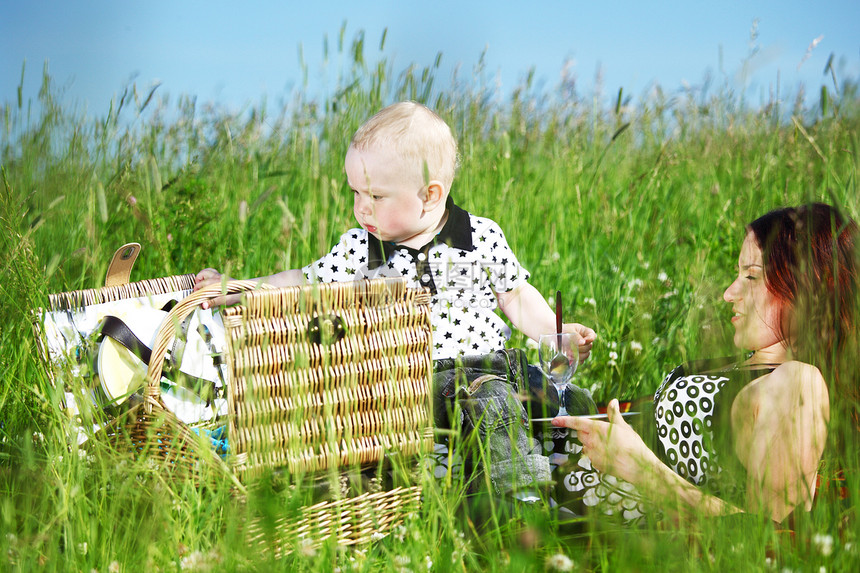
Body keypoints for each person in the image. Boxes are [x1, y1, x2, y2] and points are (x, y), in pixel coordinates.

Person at [195, 101, 597, 494]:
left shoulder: (479, 237)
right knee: (493, 404)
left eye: (375, 196)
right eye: (355, 193)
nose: (360, 208)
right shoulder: (362, 250)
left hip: (501, 363)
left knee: (571, 401)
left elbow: (515, 297)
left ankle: (577, 485)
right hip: (426, 378)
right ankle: (514, 507)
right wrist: (235, 288)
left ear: (430, 194)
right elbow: (302, 281)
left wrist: (557, 334)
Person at [550, 203, 858, 525]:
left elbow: (773, 539)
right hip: (541, 466)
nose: (728, 293)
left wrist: (638, 467)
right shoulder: (745, 364)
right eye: (737, 274)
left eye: (751, 276)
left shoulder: (797, 383)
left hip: (559, 513)